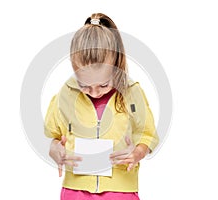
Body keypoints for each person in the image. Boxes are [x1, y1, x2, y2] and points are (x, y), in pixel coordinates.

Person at [44, 13, 159, 200]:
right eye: (84, 85)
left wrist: (137, 152)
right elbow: (54, 137)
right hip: (75, 192)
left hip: (121, 192)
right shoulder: (65, 95)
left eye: (104, 84)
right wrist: (55, 149)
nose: (95, 92)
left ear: (116, 66)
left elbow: (148, 134)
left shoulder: (133, 93)